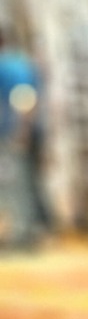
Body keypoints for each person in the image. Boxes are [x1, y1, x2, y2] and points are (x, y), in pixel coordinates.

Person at [0, 27, 45, 249]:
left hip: (18, 131)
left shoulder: (7, 65)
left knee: (18, 184)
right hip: (30, 129)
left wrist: (22, 132)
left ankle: (24, 235)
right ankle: (35, 229)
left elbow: (24, 97)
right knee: (29, 181)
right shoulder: (21, 61)